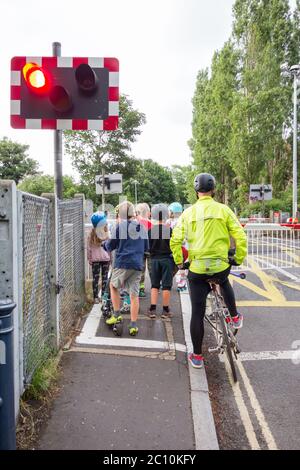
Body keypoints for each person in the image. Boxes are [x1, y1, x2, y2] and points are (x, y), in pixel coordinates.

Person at [170, 173, 247, 369]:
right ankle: (235, 317)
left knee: (197, 313)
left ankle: (197, 356)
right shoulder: (224, 209)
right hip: (220, 265)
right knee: (224, 281)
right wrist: (237, 258)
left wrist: (180, 263)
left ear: (196, 192)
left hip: (196, 269)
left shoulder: (188, 214)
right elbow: (241, 237)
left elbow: (175, 241)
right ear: (213, 190)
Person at [104, 201, 149, 336]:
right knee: (134, 295)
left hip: (122, 262)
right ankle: (133, 325)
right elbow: (146, 247)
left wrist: (104, 245)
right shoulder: (141, 227)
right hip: (137, 264)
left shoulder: (121, 226)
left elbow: (111, 245)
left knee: (113, 286)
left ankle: (117, 315)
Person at [147, 204, 175, 319]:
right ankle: (165, 310)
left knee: (154, 285)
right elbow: (174, 245)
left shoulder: (150, 231)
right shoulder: (169, 230)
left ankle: (152, 309)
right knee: (166, 285)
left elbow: (147, 247)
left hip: (154, 260)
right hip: (167, 259)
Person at [87, 211, 110, 304]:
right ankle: (104, 296)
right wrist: (111, 258)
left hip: (95, 260)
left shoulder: (91, 234)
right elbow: (109, 247)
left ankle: (96, 297)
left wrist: (90, 259)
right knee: (105, 278)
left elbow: (88, 248)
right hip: (105, 259)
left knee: (95, 278)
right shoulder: (107, 233)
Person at [135, 203, 153, 298]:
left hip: (140, 250)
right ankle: (155, 286)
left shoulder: (136, 223)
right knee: (151, 269)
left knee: (140, 269)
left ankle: (140, 288)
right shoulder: (150, 223)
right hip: (150, 249)